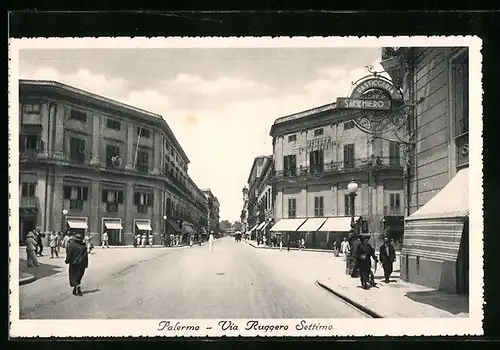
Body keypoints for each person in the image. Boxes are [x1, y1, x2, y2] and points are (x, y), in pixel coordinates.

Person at [65, 231, 89, 296]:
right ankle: (77, 286)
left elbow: (69, 254)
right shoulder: (84, 247)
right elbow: (85, 257)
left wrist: (67, 260)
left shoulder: (72, 246)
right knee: (78, 276)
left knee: (73, 276)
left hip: (73, 264)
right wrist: (86, 264)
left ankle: (76, 286)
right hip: (81, 264)